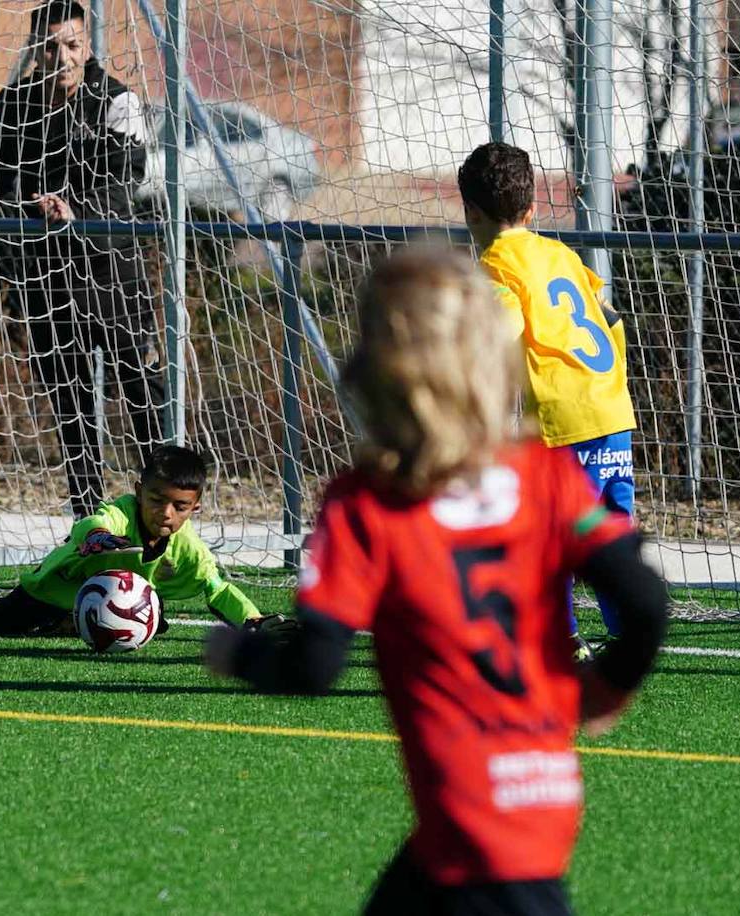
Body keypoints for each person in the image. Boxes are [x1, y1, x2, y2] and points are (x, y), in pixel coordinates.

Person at [206, 250, 668, 915]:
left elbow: (315, 663)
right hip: (540, 796)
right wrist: (608, 686)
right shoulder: (545, 477)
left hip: (473, 830)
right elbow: (646, 600)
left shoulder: (367, 503)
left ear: (373, 371)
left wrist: (239, 653)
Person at [0, 0, 164, 519]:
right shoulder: (15, 104)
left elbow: (127, 182)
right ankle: (89, 520)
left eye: (72, 45)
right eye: (51, 48)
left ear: (87, 46)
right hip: (44, 274)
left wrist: (76, 209)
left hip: (109, 272)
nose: (63, 57)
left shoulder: (117, 100)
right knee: (70, 402)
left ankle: (163, 513)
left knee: (141, 392)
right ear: (35, 52)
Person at [459, 141, 637, 660]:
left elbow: (506, 326)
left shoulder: (495, 264)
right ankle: (627, 631)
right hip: (611, 408)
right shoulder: (560, 254)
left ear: (470, 212)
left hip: (565, 420)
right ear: (532, 208)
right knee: (608, 527)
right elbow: (611, 318)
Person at [0, 445, 292, 637]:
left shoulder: (191, 551)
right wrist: (97, 536)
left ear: (195, 508)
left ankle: (79, 622)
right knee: (1, 622)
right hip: (62, 587)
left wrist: (252, 619)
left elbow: (218, 590)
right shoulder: (124, 512)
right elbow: (95, 521)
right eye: (156, 500)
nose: (166, 513)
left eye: (180, 507)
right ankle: (66, 617)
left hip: (127, 597)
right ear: (138, 492)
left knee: (154, 622)